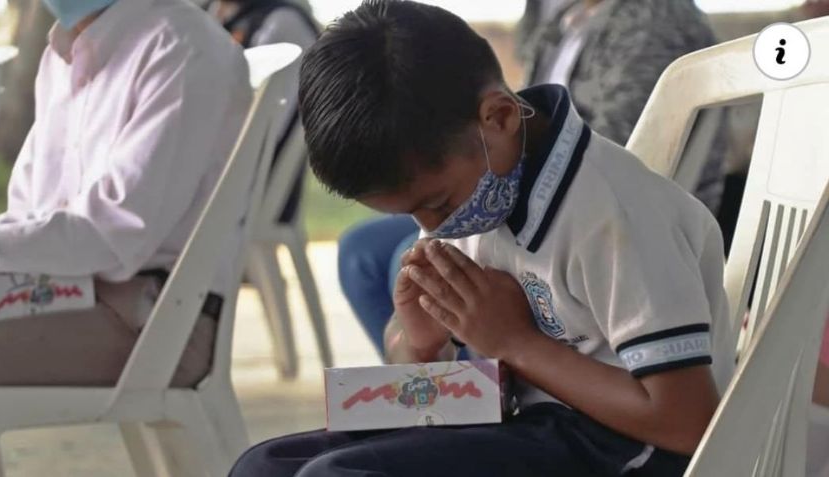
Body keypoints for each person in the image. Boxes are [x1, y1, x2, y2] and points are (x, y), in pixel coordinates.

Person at [231, 1, 733, 476]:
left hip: (622, 448)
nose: (432, 228)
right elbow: (415, 360)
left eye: (439, 205)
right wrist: (418, 342)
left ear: (500, 117)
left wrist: (514, 342)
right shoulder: (482, 179)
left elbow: (688, 424)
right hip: (524, 421)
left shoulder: (614, 213)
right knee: (265, 466)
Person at [339, 0, 727, 357]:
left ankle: (482, 384)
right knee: (372, 255)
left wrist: (514, 340)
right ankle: (447, 394)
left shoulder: (654, 23)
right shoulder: (557, 16)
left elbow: (623, 149)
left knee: (436, 273)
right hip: (508, 174)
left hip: (564, 201)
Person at [0, 0, 251, 386]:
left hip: (149, 322)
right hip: (56, 295)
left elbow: (110, 237)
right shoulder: (62, 53)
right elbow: (30, 215)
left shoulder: (180, 46)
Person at [208, 0, 319, 226]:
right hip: (217, 176)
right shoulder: (215, 15)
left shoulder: (282, 23)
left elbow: (265, 130)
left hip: (251, 186)